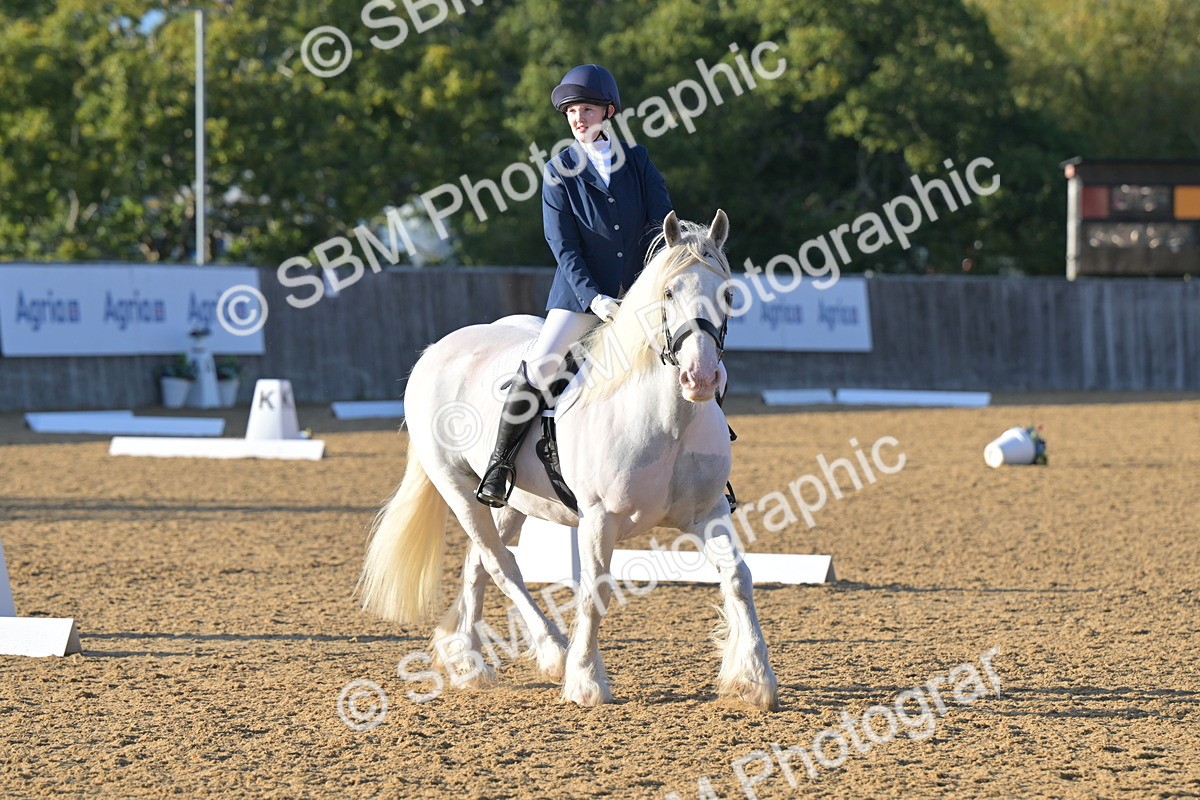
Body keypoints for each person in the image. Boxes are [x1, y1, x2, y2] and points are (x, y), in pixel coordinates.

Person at [475, 64, 673, 507]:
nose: (578, 118)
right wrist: (594, 298)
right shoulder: (557, 170)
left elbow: (662, 224)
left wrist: (649, 285)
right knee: (544, 363)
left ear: (608, 111)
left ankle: (705, 469)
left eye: (585, 109)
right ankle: (500, 464)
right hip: (581, 297)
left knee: (688, 356)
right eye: (571, 112)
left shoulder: (637, 161)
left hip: (635, 294)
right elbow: (562, 246)